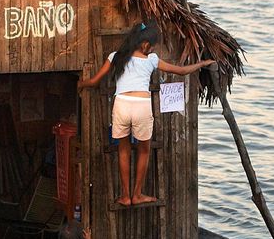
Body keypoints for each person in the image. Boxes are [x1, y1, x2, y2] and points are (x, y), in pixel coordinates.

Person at [79, 22, 215, 206]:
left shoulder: (115, 57)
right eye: (152, 46)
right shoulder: (151, 59)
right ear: (145, 45)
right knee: (144, 150)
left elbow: (94, 81)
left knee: (123, 150)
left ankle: (126, 196)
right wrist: (202, 63)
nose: (152, 49)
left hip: (121, 105)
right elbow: (182, 71)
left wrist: (81, 84)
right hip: (141, 105)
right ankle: (137, 195)